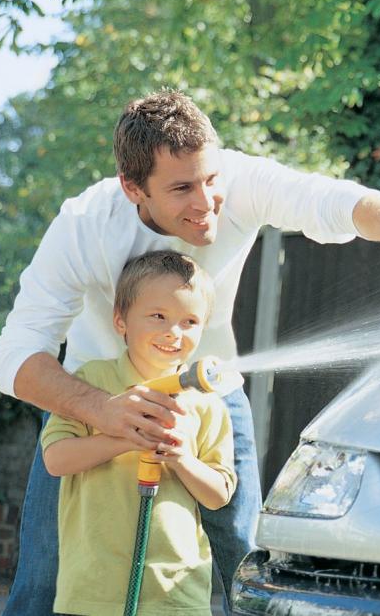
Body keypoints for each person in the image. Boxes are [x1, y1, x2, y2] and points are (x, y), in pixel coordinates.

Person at [0, 89, 380, 615]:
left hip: (209, 393)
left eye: (210, 179)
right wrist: (103, 410)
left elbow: (333, 201)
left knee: (246, 559)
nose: (205, 201)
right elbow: (16, 355)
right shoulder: (84, 225)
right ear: (134, 188)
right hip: (94, 397)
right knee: (43, 578)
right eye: (180, 188)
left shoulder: (241, 181)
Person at [41, 250, 233, 615]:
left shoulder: (206, 404)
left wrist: (182, 459)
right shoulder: (93, 383)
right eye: (158, 316)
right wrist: (124, 438)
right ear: (120, 320)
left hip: (176, 594)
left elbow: (219, 495)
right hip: (94, 591)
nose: (173, 332)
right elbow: (56, 459)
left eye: (189, 321)